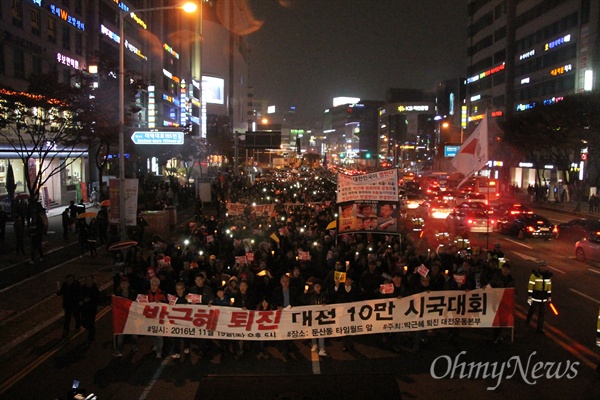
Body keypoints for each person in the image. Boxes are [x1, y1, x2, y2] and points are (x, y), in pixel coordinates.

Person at [332, 275, 360, 351]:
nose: (348, 281)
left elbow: (358, 298)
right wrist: (336, 286)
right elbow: (334, 295)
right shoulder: (340, 288)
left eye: (349, 280)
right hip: (342, 312)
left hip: (352, 312)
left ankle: (350, 343)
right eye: (346, 280)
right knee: (344, 327)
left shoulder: (355, 289)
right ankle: (344, 345)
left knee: (351, 328)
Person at [488, 262, 515, 343]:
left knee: (503, 320)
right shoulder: (497, 277)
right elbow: (490, 285)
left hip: (506, 303)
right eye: (504, 269)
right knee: (497, 320)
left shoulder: (511, 279)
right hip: (497, 301)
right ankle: (495, 337)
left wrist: (515, 295)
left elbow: (514, 290)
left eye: (507, 269)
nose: (505, 270)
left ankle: (499, 335)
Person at [302, 280, 328, 357]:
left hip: (321, 316)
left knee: (321, 331)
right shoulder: (310, 295)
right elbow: (303, 301)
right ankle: (314, 344)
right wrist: (305, 293)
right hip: (312, 315)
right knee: (313, 330)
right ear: (313, 287)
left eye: (318, 286)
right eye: (316, 286)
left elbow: (328, 301)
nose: (317, 288)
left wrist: (325, 304)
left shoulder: (324, 295)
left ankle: (322, 348)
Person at [526, 260, 553, 334]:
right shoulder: (534, 275)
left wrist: (549, 296)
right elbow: (530, 286)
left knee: (542, 314)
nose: (543, 268)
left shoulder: (548, 276)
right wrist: (530, 296)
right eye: (542, 266)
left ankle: (539, 329)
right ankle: (527, 323)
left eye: (545, 266)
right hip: (535, 297)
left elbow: (549, 286)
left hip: (543, 297)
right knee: (532, 311)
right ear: (539, 267)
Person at [113, 277, 138, 357]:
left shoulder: (133, 293)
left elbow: (137, 304)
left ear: (128, 284)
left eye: (125, 283)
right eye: (122, 284)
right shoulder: (117, 294)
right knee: (120, 335)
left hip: (131, 317)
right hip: (121, 318)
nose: (124, 285)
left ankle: (134, 345)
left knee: (134, 334)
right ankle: (119, 350)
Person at [147, 277, 167, 358]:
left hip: (159, 319)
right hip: (150, 318)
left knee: (159, 335)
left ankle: (159, 351)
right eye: (152, 284)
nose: (154, 286)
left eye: (156, 285)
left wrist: (161, 302)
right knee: (152, 333)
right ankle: (155, 344)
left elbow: (167, 304)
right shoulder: (146, 294)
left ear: (158, 286)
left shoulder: (162, 294)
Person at [170, 282, 191, 359]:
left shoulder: (188, 298)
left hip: (186, 320)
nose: (179, 291)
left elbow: (195, 307)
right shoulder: (173, 299)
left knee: (186, 334)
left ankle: (186, 347)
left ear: (184, 289)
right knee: (177, 336)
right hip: (177, 320)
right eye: (177, 289)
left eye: (180, 289)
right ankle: (176, 352)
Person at [57, 274, 81, 338]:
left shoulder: (77, 284)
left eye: (71, 280)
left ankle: (77, 327)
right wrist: (58, 292)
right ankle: (66, 331)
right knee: (67, 319)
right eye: (68, 280)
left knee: (77, 316)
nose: (69, 281)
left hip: (75, 304)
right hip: (67, 305)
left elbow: (80, 292)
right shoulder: (65, 285)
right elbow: (61, 292)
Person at [80, 274, 100, 341]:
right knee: (83, 322)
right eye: (87, 280)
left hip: (91, 309)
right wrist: (82, 300)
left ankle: (91, 336)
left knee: (91, 322)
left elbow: (97, 298)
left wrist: (90, 300)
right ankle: (91, 331)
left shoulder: (95, 289)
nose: (88, 281)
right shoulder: (83, 288)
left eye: (90, 280)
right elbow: (79, 296)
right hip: (84, 308)